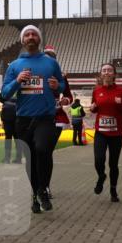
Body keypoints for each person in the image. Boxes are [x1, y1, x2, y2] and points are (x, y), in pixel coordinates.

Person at [0, 25, 65, 214]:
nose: (30, 37)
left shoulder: (51, 63)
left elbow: (61, 84)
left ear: (39, 39)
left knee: (43, 149)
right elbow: (4, 93)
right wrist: (17, 80)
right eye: (27, 34)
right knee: (30, 160)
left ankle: (42, 189)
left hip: (45, 117)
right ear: (22, 40)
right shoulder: (14, 66)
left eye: (34, 34)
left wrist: (57, 86)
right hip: (23, 120)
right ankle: (35, 193)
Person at [89, 63, 122, 202]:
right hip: (100, 132)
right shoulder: (96, 91)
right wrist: (93, 108)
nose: (106, 72)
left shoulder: (121, 91)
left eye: (109, 70)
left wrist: (120, 104)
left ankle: (113, 190)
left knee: (113, 164)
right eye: (104, 70)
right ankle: (101, 176)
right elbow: (94, 109)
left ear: (114, 74)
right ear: (101, 74)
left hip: (116, 133)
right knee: (98, 160)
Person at [42, 45, 73, 198]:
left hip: (55, 117)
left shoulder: (60, 76)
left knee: (46, 151)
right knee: (37, 152)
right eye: (45, 56)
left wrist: (64, 101)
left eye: (51, 56)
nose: (48, 59)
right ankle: (38, 185)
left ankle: (45, 186)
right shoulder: (34, 73)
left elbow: (68, 96)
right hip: (36, 116)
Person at [0, 94, 21, 163]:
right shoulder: (8, 89)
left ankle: (11, 158)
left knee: (12, 138)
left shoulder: (18, 89)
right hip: (11, 117)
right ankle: (13, 158)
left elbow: (1, 98)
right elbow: (0, 98)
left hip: (13, 117)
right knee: (15, 138)